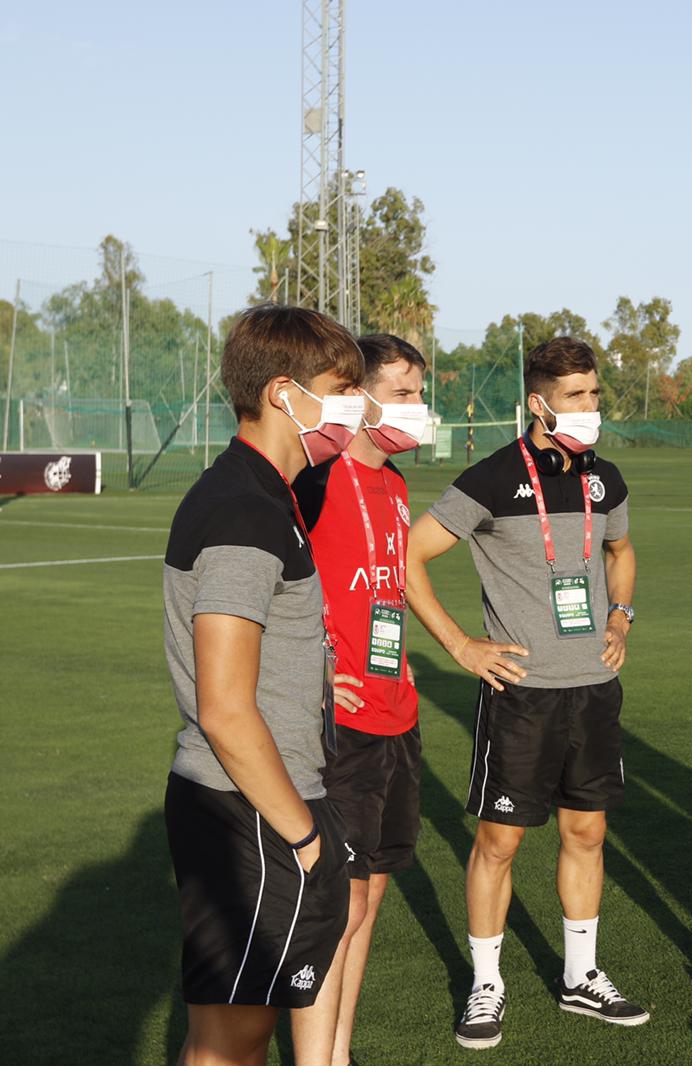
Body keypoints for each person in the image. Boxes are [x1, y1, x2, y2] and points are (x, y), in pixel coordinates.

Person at [406, 336, 645, 1049]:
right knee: (500, 842)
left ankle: (581, 977)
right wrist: (459, 644)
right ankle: (487, 983)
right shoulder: (491, 479)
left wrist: (622, 616)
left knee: (587, 831)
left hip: (594, 689)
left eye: (596, 395)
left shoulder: (606, 480)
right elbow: (409, 556)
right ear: (539, 403)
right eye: (576, 397)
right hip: (522, 692)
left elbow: (621, 552)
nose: (590, 409)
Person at [162, 304, 365, 1065]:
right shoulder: (245, 509)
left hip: (264, 800)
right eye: (342, 389)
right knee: (230, 1040)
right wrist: (307, 839)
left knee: (244, 1030)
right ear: (284, 392)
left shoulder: (265, 494)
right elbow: (223, 708)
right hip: (246, 808)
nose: (355, 409)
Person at [292, 333, 430, 1066]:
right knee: (335, 909)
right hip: (339, 725)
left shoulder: (400, 489)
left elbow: (391, 587)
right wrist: (312, 669)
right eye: (403, 393)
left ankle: (339, 1053)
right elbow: (276, 586)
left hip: (396, 714)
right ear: (362, 396)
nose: (417, 408)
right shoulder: (316, 478)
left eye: (417, 393)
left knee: (369, 902)